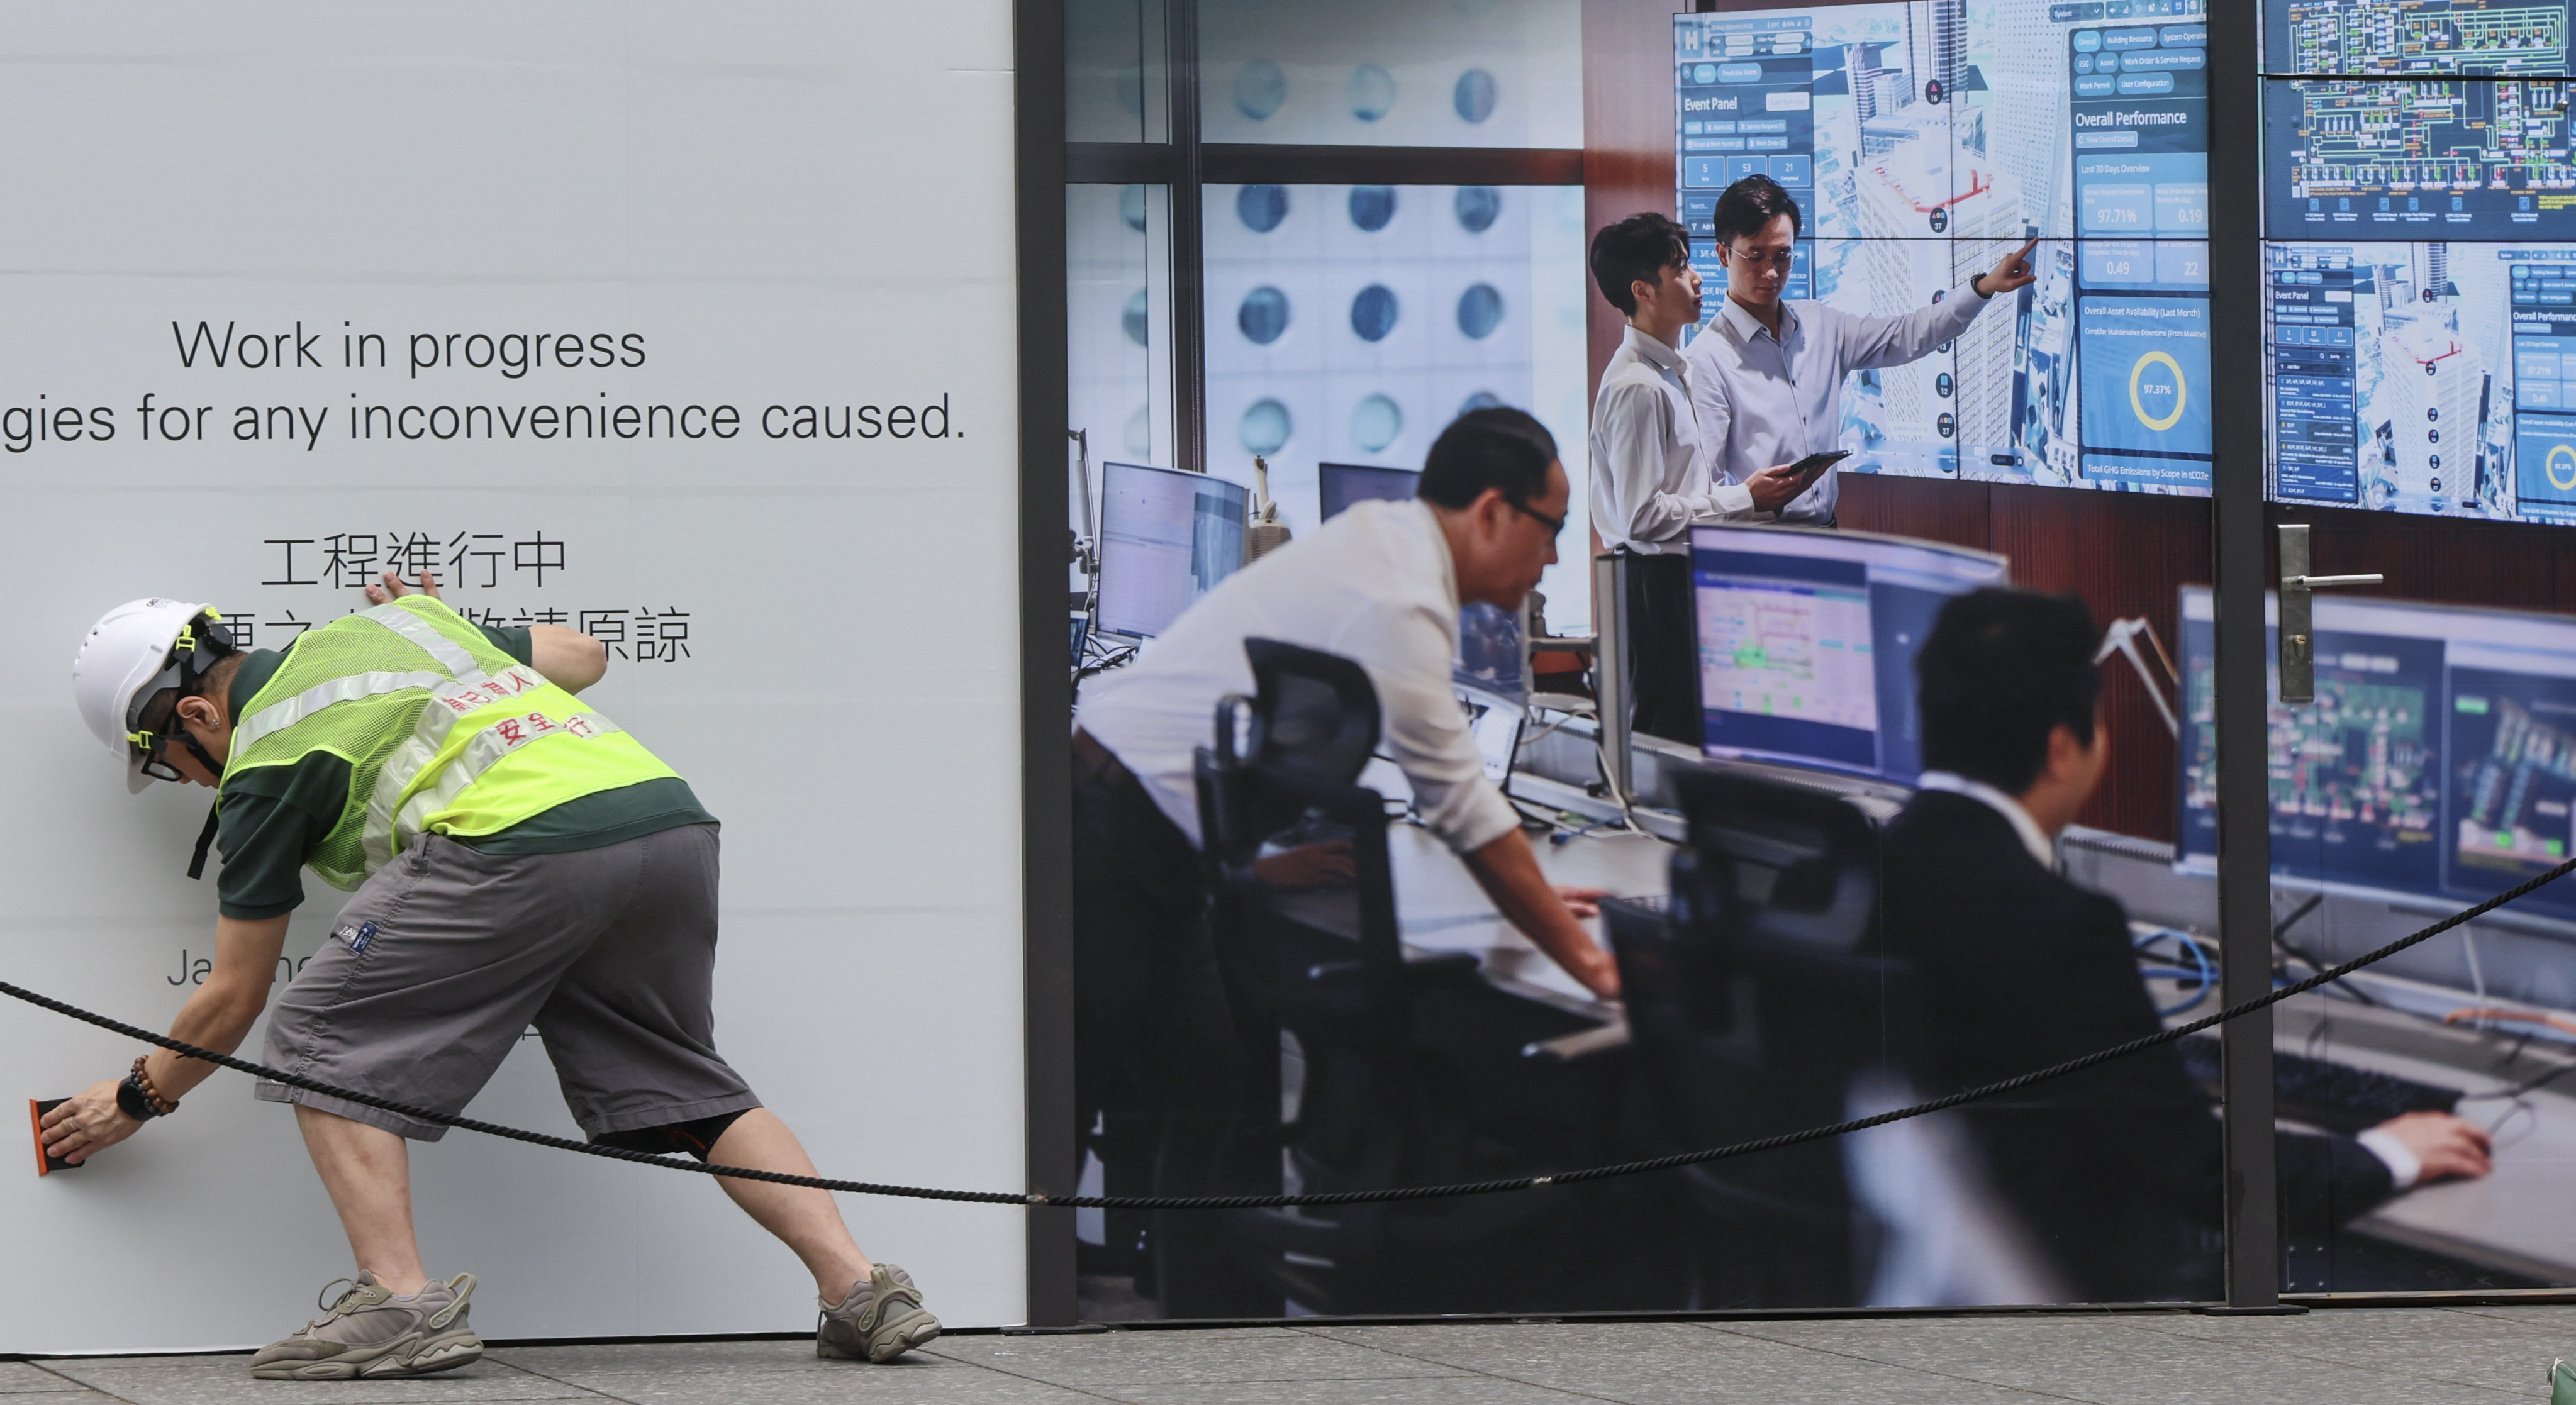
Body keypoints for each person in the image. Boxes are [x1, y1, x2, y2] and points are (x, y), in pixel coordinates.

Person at [47, 580, 942, 1377]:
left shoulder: (267, 759)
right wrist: (452, 626)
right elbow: (583, 657)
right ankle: (860, 1288)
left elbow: (235, 996)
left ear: (196, 717)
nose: (189, 781)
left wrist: (134, 1098)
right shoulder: (394, 628)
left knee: (317, 1036)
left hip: (518, 847)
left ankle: (400, 1301)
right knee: (678, 1081)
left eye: (168, 764)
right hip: (664, 825)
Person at [1069, 409, 1620, 1240]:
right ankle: (1020, 1316)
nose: (1550, 557)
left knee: (1210, 1089)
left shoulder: (1378, 536)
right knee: (1076, 1098)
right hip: (1113, 831)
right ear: (1491, 512)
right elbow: (1462, 808)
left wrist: (1248, 866)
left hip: (1146, 816)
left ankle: (1196, 1321)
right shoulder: (1402, 600)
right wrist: (1587, 961)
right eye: (1550, 531)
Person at [1880, 588, 2494, 1301]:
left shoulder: (1853, 872)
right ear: (2061, 746)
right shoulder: (2063, 928)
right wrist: (2385, 1154)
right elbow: (2197, 1169)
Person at [1681, 174, 2039, 530]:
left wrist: (1984, 288)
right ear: (1724, 255)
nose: (1771, 272)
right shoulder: (1708, 360)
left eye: (1783, 256)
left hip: (1828, 532)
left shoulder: (1820, 325)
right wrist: (1749, 498)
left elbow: (1906, 335)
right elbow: (1704, 491)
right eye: (1755, 257)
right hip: (1756, 549)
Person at [1586, 211, 1808, 743]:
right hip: (1653, 582)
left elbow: (1677, 495)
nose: (1698, 278)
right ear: (1643, 290)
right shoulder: (1638, 385)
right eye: (1681, 268)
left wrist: (1749, 501)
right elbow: (1642, 517)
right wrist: (1743, 498)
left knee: (1693, 730)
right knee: (1669, 735)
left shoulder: (1667, 371)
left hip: (1674, 577)